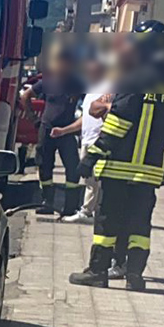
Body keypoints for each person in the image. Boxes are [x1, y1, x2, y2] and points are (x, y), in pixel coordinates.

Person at [69, 20, 164, 291]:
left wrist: (92, 155)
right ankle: (135, 275)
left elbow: (119, 120)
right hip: (150, 171)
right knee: (139, 225)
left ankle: (97, 271)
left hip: (119, 168)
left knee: (107, 222)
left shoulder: (135, 74)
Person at [19, 47, 86, 216]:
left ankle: (71, 206)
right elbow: (25, 96)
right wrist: (33, 118)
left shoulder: (78, 83)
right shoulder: (48, 81)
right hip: (47, 129)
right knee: (44, 165)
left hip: (67, 131)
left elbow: (91, 102)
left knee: (73, 167)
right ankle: (47, 202)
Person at [55, 54, 113, 225]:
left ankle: (88, 212)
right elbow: (86, 119)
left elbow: (109, 112)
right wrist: (65, 130)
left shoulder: (108, 88)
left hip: (99, 139)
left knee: (94, 178)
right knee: (89, 178)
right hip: (87, 139)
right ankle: (90, 211)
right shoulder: (91, 90)